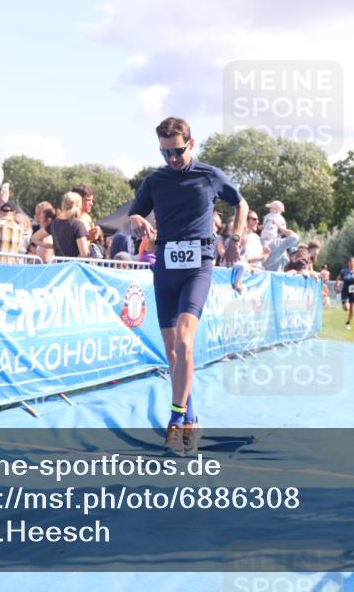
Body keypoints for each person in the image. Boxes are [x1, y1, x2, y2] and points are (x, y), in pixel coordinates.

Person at [127, 117, 247, 456]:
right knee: (172, 354)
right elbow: (133, 217)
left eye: (177, 152)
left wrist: (235, 238)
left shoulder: (208, 175)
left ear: (190, 144)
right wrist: (135, 220)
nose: (171, 160)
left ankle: (176, 421)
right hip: (165, 267)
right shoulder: (155, 180)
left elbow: (241, 203)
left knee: (184, 339)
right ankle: (191, 417)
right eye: (165, 153)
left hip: (198, 266)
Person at [47, 191, 90, 258]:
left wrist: (54, 245)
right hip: (74, 266)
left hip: (60, 265)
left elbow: (35, 238)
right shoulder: (78, 225)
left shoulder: (54, 223)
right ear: (79, 206)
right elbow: (84, 254)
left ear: (63, 205)